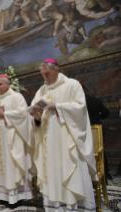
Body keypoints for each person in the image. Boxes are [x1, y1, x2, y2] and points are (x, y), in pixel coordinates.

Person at [30, 58, 97, 211]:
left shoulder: (72, 85)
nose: (45, 78)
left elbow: (80, 109)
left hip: (67, 140)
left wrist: (57, 107)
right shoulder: (41, 91)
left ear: (56, 70)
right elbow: (35, 118)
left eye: (47, 74)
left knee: (70, 171)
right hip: (48, 143)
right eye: (43, 75)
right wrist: (36, 117)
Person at [0, 75, 33, 209]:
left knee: (11, 166)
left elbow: (23, 114)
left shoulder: (16, 97)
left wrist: (5, 114)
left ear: (7, 84)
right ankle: (0, 196)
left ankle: (15, 197)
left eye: (0, 84)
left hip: (12, 140)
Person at [84, 89, 112, 182]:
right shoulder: (95, 101)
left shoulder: (77, 103)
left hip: (84, 131)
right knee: (100, 152)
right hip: (97, 130)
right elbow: (106, 112)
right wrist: (99, 115)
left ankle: (87, 175)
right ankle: (104, 174)